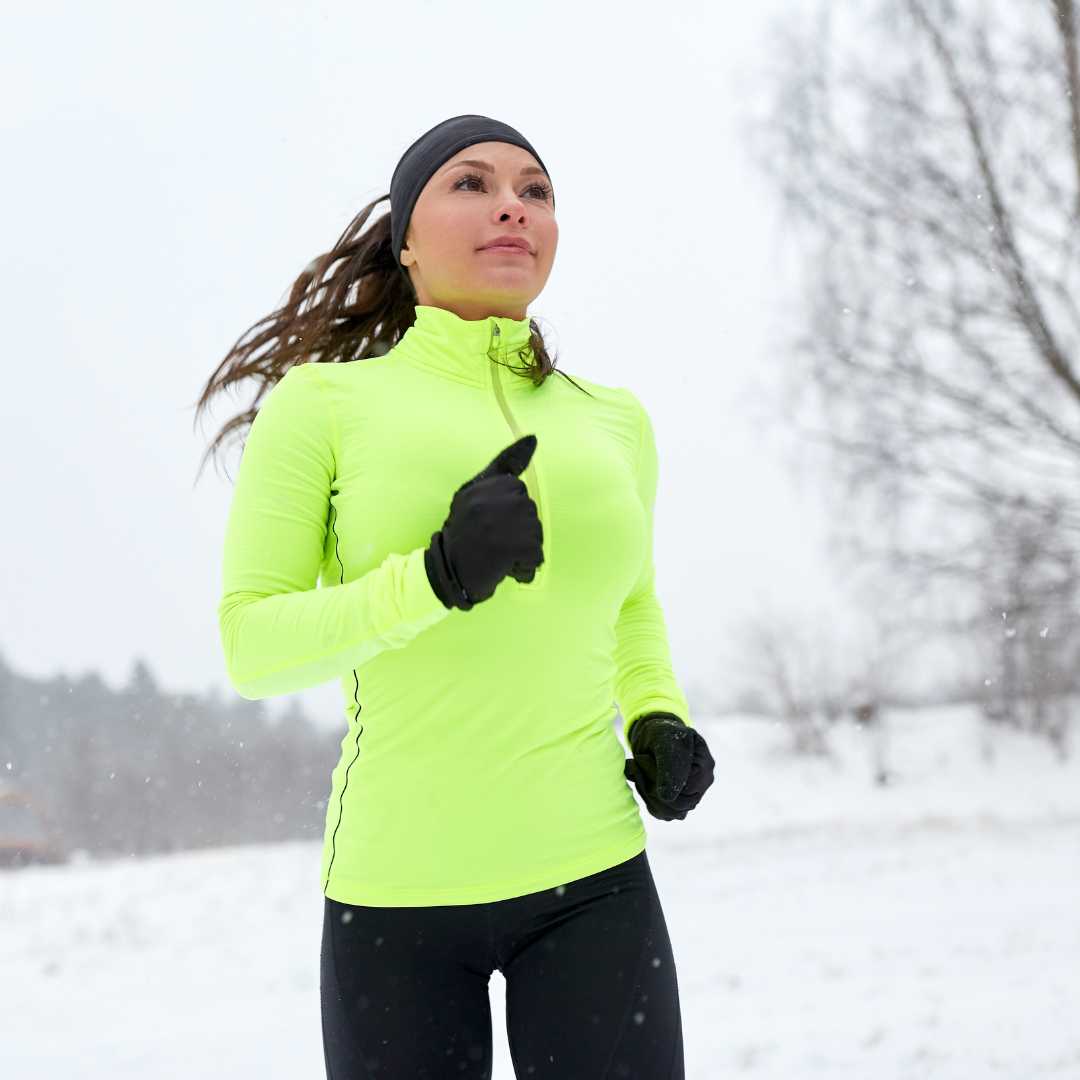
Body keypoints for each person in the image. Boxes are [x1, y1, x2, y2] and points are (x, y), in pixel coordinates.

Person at [202, 113, 715, 1079]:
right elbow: (254, 644)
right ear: (405, 238)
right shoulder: (325, 406)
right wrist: (433, 579)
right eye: (471, 184)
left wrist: (657, 718)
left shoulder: (615, 421)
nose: (512, 206)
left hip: (594, 880)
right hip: (399, 899)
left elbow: (632, 606)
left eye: (536, 190)